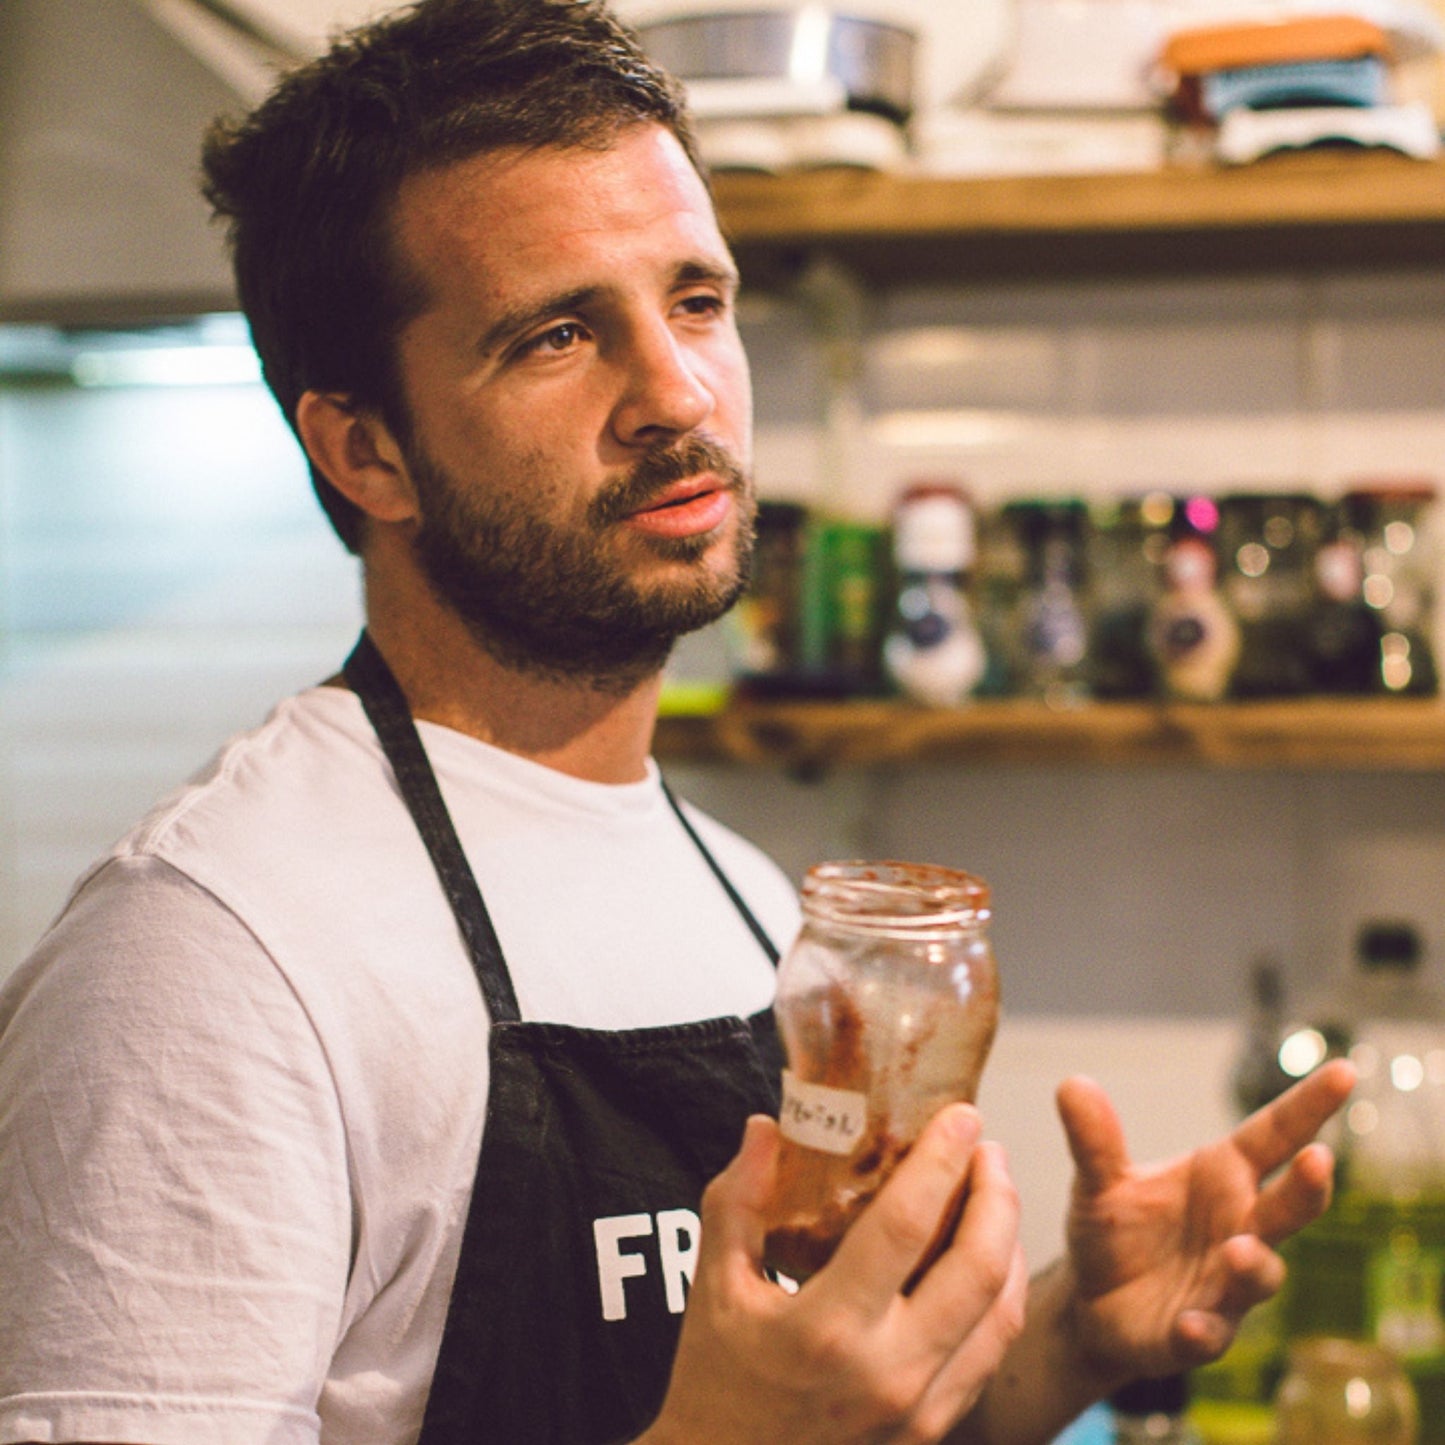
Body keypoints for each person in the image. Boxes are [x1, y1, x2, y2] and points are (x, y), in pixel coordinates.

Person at [0, 1, 1354, 1442]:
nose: (675, 391)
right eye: (559, 335)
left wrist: (1066, 1343)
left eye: (695, 301)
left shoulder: (742, 894)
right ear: (365, 446)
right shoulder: (205, 957)